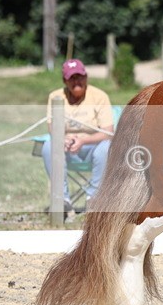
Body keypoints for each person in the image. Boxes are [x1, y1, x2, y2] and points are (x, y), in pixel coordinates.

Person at [42, 59, 114, 211]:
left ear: (86, 77)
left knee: (107, 147)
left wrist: (83, 140)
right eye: (72, 78)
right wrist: (62, 140)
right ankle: (62, 200)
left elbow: (108, 132)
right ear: (64, 80)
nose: (76, 82)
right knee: (48, 146)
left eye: (80, 77)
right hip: (66, 149)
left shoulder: (99, 96)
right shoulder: (55, 97)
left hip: (93, 149)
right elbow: (52, 127)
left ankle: (94, 198)